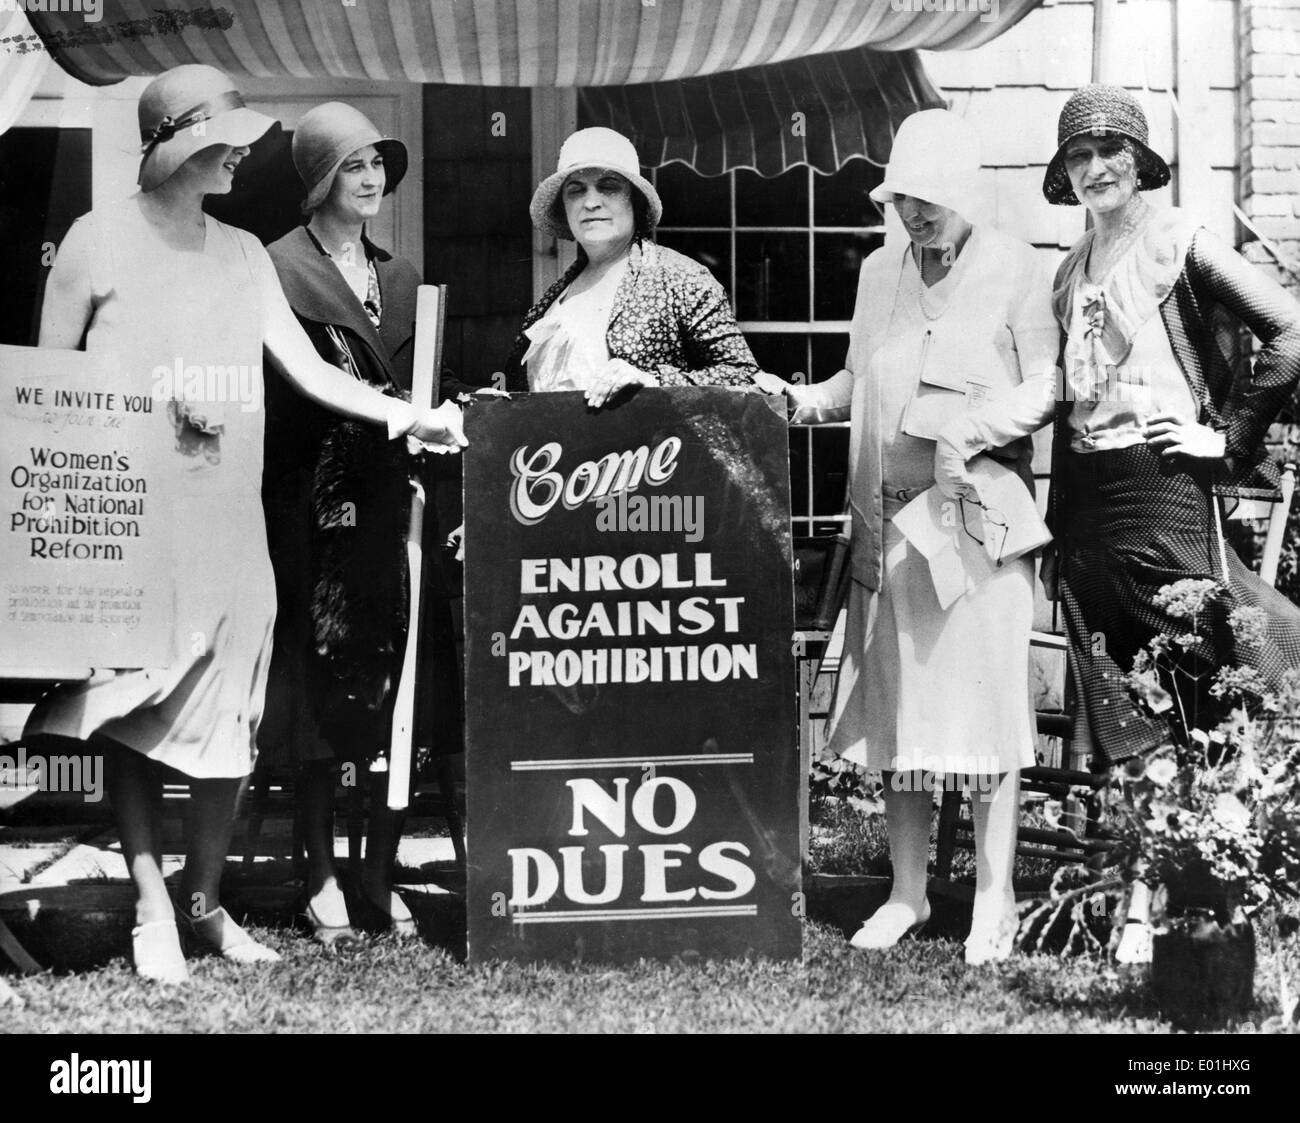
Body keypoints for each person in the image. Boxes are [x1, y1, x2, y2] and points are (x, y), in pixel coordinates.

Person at [25, 65, 465, 984]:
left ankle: (204, 899)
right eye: (223, 143)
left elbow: (308, 369)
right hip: (128, 523)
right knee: (133, 717)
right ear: (180, 149)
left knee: (233, 720)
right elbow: (43, 395)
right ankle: (155, 909)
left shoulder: (242, 253)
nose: (239, 155)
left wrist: (403, 415)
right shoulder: (95, 241)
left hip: (231, 524)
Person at [756, 109, 1060, 965]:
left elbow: (1047, 384)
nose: (912, 216)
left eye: (926, 199)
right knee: (904, 719)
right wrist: (807, 400)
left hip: (976, 519)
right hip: (889, 527)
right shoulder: (880, 269)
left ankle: (993, 897)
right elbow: (860, 375)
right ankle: (908, 890)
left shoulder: (1015, 267)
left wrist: (971, 430)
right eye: (901, 200)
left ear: (964, 192)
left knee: (990, 715)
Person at [1039, 84, 1300, 960]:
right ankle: (1140, 896)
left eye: (1111, 151)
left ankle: (1187, 899)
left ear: (1141, 161)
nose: (1094, 168)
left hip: (1166, 488)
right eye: (1079, 155)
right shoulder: (1070, 269)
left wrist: (1223, 440)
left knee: (1189, 688)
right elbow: (1069, 405)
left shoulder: (1181, 242)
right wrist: (1053, 529)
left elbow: (1291, 331)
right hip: (1088, 507)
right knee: (1121, 702)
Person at [261, 102, 463, 944]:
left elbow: (420, 385)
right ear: (318, 182)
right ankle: (319, 877)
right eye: (353, 165)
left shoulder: (405, 272)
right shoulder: (275, 269)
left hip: (398, 502)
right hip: (311, 503)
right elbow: (292, 389)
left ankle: (377, 871)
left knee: (403, 687)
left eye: (379, 162)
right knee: (316, 690)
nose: (373, 177)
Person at [503, 127, 758, 403]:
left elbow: (745, 380)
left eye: (608, 187)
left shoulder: (681, 279)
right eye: (576, 190)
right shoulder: (551, 302)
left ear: (634, 199)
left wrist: (653, 382)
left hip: (653, 445)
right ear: (563, 206)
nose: (590, 203)